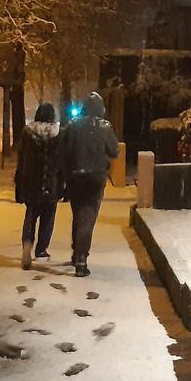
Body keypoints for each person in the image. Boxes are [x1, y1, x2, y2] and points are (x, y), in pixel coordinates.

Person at [63, 92, 119, 277]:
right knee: (88, 216)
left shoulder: (73, 126)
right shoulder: (105, 126)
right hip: (96, 176)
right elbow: (114, 150)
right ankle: (81, 259)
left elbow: (66, 150)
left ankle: (76, 251)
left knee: (78, 213)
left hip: (75, 176)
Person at [14, 102, 63, 270]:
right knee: (48, 216)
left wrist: (19, 183)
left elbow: (21, 160)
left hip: (31, 182)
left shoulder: (27, 133)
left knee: (31, 215)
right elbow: (62, 161)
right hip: (52, 182)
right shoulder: (59, 134)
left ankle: (27, 244)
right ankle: (41, 249)